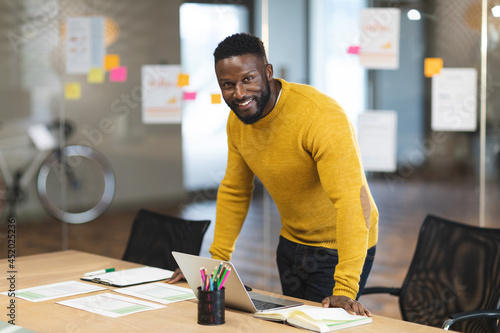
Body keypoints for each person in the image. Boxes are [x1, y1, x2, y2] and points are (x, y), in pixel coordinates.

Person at [168, 33, 378, 317]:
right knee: (290, 321)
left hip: (338, 246)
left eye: (248, 79)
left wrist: (345, 288)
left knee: (318, 323)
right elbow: (235, 190)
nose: (239, 94)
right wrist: (216, 265)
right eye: (227, 85)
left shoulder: (321, 116)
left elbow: (352, 204)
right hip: (291, 242)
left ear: (268, 72)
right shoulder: (238, 121)